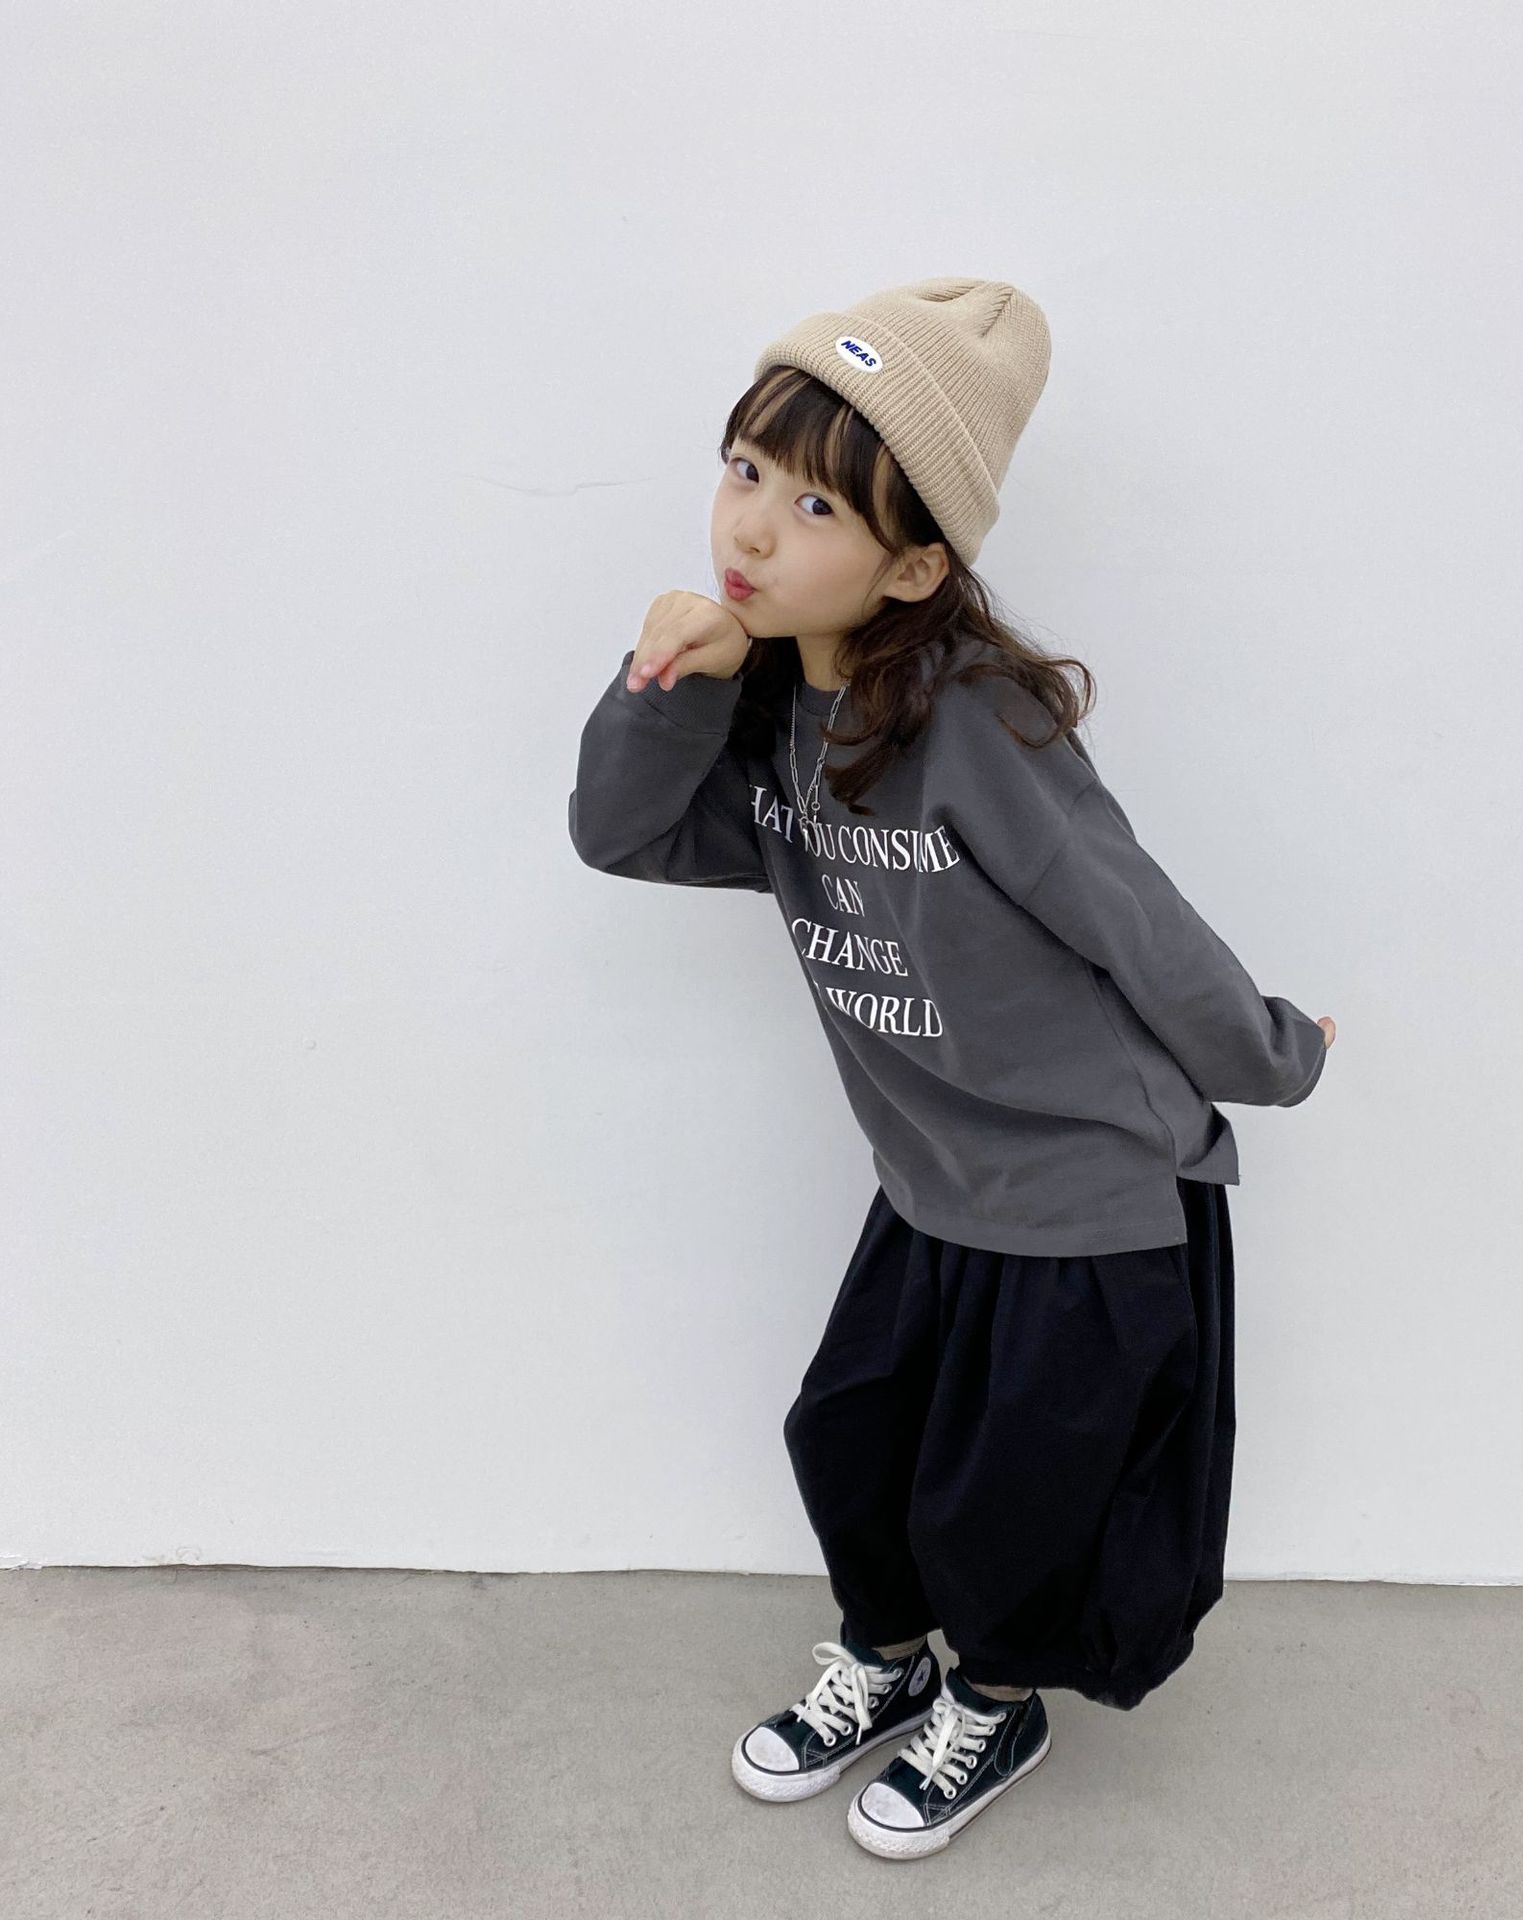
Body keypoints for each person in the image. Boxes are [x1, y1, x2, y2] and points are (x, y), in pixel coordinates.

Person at [568, 276, 1336, 1860]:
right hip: (933, 1176)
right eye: (744, 469)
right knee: (848, 1434)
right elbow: (625, 834)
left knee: (1012, 1493)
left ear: (916, 564)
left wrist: (1269, 1055)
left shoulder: (975, 725)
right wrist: (673, 683)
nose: (753, 527)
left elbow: (1130, 917)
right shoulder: (769, 711)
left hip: (1086, 1183)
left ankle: (995, 1700)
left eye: (815, 506)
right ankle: (890, 1656)